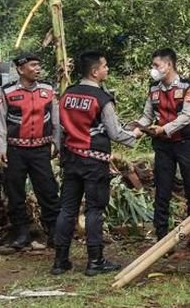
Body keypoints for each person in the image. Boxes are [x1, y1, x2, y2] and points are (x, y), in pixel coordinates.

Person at [51, 50, 139, 276]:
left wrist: (61, 152)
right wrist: (135, 135)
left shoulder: (67, 95)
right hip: (94, 162)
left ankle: (60, 261)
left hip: (71, 159)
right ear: (94, 71)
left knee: (67, 209)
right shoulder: (102, 99)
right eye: (105, 66)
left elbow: (57, 129)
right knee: (94, 209)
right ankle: (95, 261)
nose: (107, 69)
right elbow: (115, 133)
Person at [132, 48, 190, 251]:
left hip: (186, 143)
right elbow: (147, 115)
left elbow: (186, 116)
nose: (153, 69)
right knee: (162, 190)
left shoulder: (188, 86)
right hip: (163, 146)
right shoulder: (153, 88)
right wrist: (138, 127)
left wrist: (164, 129)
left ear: (168, 65)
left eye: (156, 65)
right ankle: (162, 239)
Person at [0, 53, 60, 250]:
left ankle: (54, 232)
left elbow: (56, 119)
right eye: (33, 65)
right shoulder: (8, 92)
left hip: (41, 151)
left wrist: (56, 143)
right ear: (21, 69)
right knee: (15, 193)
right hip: (15, 151)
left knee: (48, 191)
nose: (37, 69)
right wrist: (0, 148)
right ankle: (21, 234)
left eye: (39, 65)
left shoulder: (48, 90)